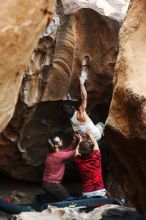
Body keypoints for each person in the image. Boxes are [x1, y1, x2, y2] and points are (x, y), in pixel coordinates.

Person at [63, 56, 105, 141]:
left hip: (91, 139)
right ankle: (102, 129)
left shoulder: (72, 122)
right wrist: (82, 83)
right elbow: (85, 97)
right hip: (97, 133)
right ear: (73, 108)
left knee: (94, 124)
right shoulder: (80, 113)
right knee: (101, 124)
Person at [42, 133, 78, 202]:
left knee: (57, 200)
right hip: (52, 184)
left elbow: (66, 151)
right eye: (60, 141)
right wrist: (81, 141)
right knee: (68, 200)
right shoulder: (58, 156)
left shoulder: (52, 153)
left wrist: (74, 141)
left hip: (47, 184)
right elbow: (75, 151)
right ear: (56, 145)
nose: (62, 141)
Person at [74, 131, 107, 198]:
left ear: (80, 153)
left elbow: (77, 151)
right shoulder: (96, 157)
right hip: (100, 192)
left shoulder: (78, 161)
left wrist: (80, 140)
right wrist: (90, 135)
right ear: (91, 150)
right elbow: (96, 144)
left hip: (87, 194)